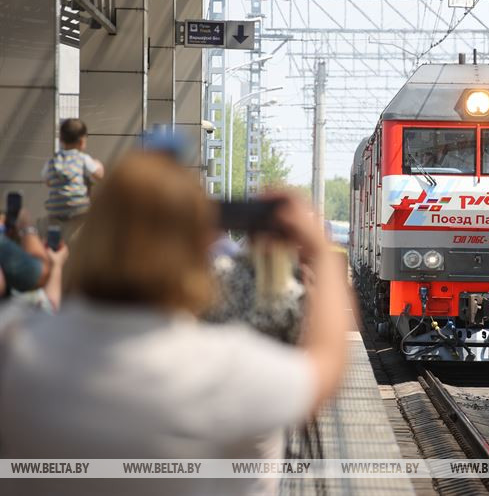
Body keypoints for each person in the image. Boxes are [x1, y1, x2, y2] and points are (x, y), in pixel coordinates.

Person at [0, 152, 353, 496]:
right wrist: (321, 253)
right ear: (196, 247)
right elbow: (325, 368)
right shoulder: (224, 368)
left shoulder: (14, 343)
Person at [42, 118, 104, 245]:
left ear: (61, 141)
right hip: (78, 210)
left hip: (56, 211)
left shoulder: (53, 161)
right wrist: (98, 165)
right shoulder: (82, 158)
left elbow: (47, 181)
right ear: (82, 142)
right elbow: (99, 176)